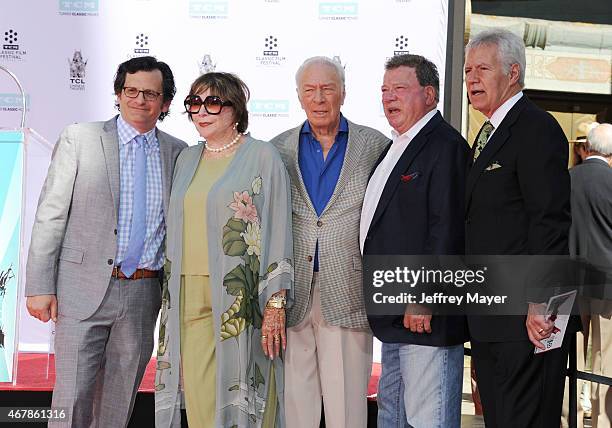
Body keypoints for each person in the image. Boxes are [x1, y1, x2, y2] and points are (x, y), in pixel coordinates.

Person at [24, 56, 187, 427]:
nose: (139, 100)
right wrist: (39, 286)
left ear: (165, 102)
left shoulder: (179, 152)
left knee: (118, 406)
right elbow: (51, 215)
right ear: (118, 93)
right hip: (81, 292)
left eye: (150, 93)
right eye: (131, 90)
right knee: (71, 400)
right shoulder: (79, 138)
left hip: (144, 293)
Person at [155, 72, 293, 428]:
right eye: (194, 104)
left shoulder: (263, 156)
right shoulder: (186, 158)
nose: (202, 112)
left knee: (241, 390)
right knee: (200, 397)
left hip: (240, 295)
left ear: (236, 109)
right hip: (186, 292)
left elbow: (277, 224)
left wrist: (276, 300)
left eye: (213, 103)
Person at [464, 28, 574, 427]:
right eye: (467, 70)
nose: (471, 78)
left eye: (482, 69)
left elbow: (549, 221)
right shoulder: (487, 133)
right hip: (493, 316)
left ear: (512, 73)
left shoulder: (536, 129)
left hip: (528, 318)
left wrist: (540, 302)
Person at [270, 56, 388, 428]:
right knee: (296, 409)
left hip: (348, 289)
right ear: (299, 96)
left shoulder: (375, 146)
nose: (319, 98)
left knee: (347, 411)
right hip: (293, 294)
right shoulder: (278, 148)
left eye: (327, 89)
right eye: (310, 90)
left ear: (343, 93)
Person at [360, 54, 469, 427]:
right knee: (393, 417)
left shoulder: (445, 145)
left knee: (428, 420)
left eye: (400, 89)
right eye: (385, 90)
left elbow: (447, 228)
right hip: (394, 314)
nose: (389, 97)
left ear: (429, 94)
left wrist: (425, 296)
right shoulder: (398, 145)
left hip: (425, 318)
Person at [569, 123, 612, 428]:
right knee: (605, 356)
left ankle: (563, 417)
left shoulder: (565, 179)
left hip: (568, 279)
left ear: (587, 148)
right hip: (608, 283)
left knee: (568, 353)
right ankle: (601, 420)